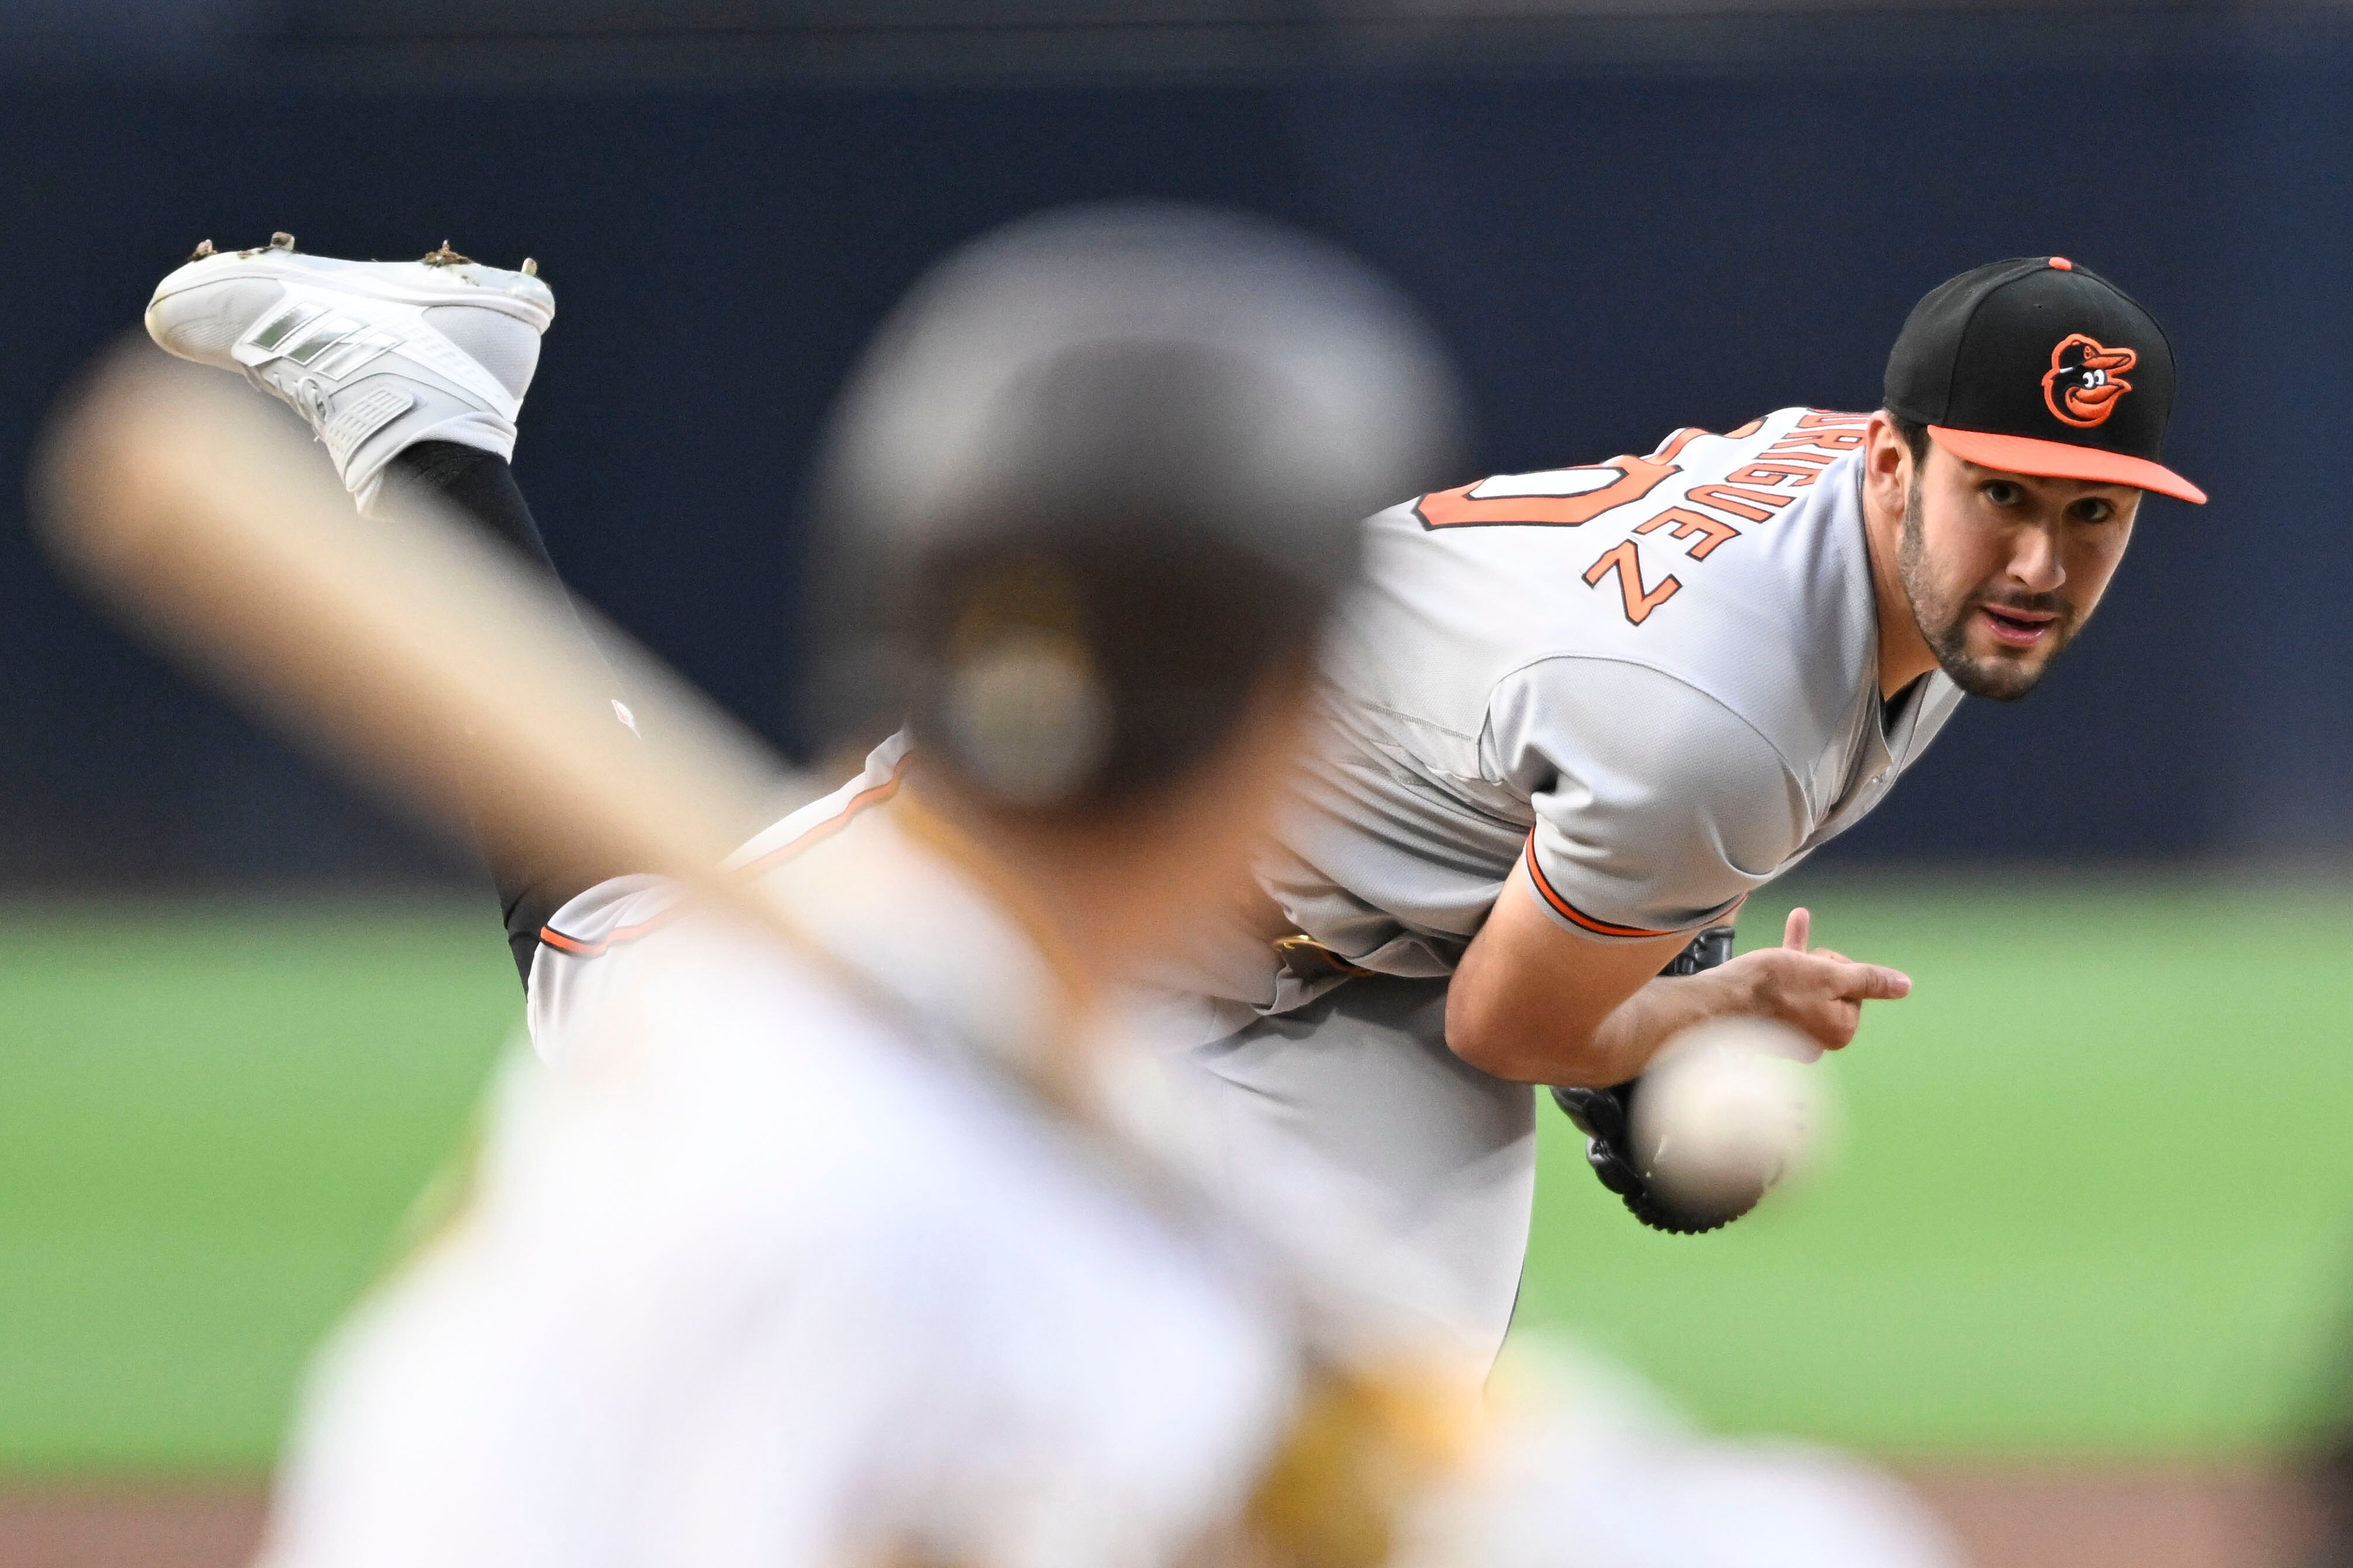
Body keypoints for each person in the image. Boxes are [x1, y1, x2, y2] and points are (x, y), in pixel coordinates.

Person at [143, 209, 1473, 1567]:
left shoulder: (888, 1101)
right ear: (1299, 710)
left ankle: (415, 420)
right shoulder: (895, 1213)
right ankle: (415, 419)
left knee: (600, 960)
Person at [1143, 256, 2205, 1358]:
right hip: (1121, 871)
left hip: (1359, 946)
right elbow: (1511, 1024)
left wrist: (1654, 958)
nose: (2040, 562)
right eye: (2002, 494)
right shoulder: (1721, 718)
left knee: (1379, 1439)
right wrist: (1710, 1009)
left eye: (2094, 511)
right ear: (1893, 460)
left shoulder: (1898, 552)